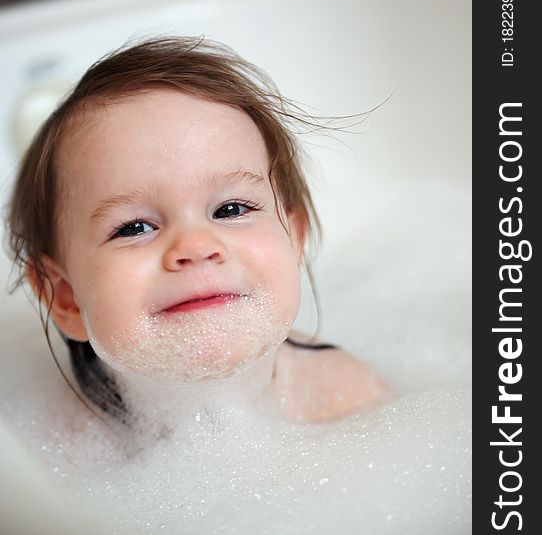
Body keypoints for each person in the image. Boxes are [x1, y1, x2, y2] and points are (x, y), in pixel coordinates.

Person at [6, 36, 388, 426]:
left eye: (230, 209)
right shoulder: (51, 440)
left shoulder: (345, 395)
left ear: (294, 242)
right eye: (135, 227)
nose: (196, 246)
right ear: (67, 297)